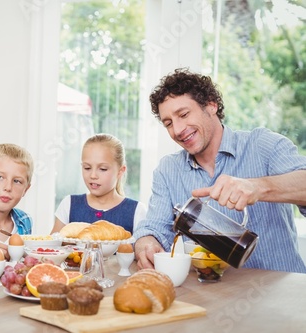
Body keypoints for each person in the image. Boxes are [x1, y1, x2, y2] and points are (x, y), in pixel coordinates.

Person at [134, 68, 306, 273]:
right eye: (169, 123)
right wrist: (145, 243)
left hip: (282, 294)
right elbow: (154, 227)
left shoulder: (263, 145)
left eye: (184, 114)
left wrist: (258, 188)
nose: (178, 130)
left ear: (211, 105)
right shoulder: (168, 170)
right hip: (211, 296)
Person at [51, 133, 147, 236]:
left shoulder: (137, 211)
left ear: (120, 171)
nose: (93, 175)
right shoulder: (69, 205)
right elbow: (52, 247)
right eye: (87, 168)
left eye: (102, 169)